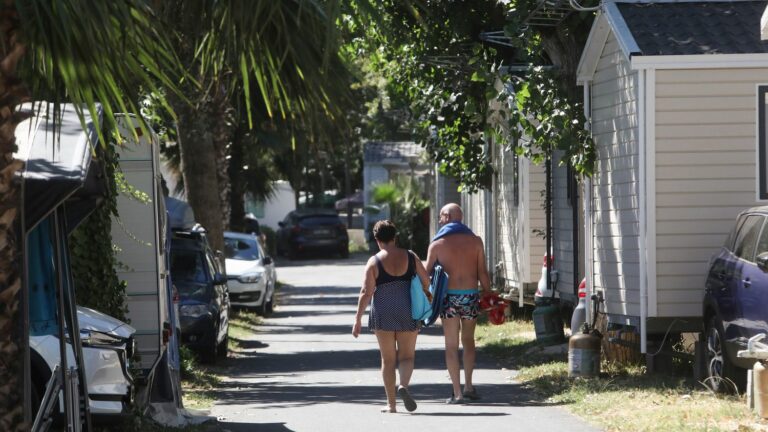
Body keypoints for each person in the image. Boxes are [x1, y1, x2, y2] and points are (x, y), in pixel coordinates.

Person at [352, 220, 431, 413]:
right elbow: (426, 281)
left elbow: (366, 292)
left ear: (377, 240)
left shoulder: (374, 261)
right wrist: (424, 293)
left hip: (383, 311)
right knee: (407, 356)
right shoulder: (410, 256)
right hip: (407, 310)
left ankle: (391, 404)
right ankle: (403, 385)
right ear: (395, 237)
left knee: (387, 360)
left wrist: (358, 319)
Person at [426, 203, 491, 404]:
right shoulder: (476, 241)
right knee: (469, 341)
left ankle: (457, 393)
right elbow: (482, 273)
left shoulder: (437, 245)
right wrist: (489, 295)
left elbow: (426, 274)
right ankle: (469, 386)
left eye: (440, 216)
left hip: (448, 299)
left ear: (447, 216)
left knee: (451, 345)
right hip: (470, 296)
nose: (439, 220)